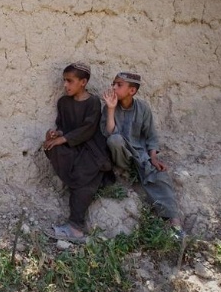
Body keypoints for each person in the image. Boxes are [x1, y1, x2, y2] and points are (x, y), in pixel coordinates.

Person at [101, 72, 184, 238]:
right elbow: (108, 133)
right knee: (115, 140)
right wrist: (110, 109)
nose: (114, 87)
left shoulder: (143, 108)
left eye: (119, 85)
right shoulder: (109, 107)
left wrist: (153, 157)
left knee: (160, 177)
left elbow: (151, 136)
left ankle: (174, 223)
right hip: (121, 156)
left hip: (140, 155)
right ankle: (124, 172)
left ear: (132, 91)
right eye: (114, 84)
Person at [43, 62, 114, 243]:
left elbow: (88, 129)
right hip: (73, 147)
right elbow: (63, 126)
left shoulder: (93, 103)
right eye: (64, 81)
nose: (65, 85)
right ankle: (72, 178)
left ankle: (75, 228)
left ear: (83, 82)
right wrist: (56, 134)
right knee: (51, 146)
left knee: (85, 177)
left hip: (91, 149)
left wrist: (63, 138)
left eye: (70, 81)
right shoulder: (63, 102)